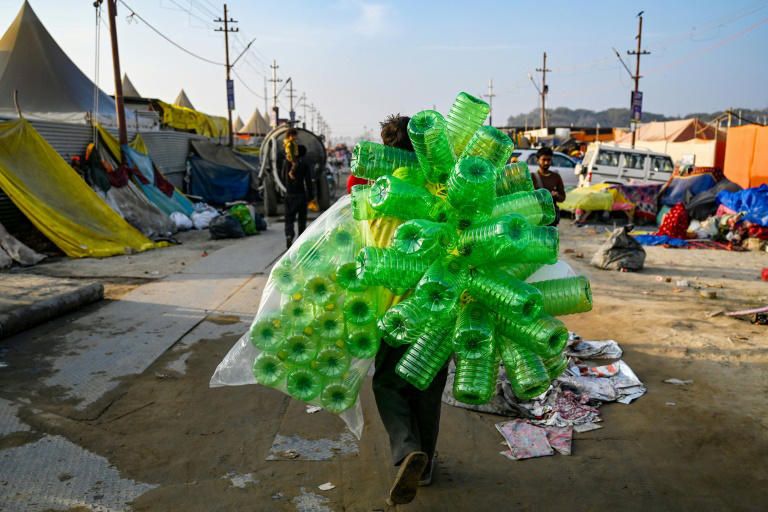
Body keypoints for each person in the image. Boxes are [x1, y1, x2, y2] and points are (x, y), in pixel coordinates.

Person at [369, 114, 447, 506]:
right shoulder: (445, 189)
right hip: (441, 308)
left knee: (387, 382)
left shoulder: (378, 196)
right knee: (427, 387)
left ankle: (406, 449)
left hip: (395, 311)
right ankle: (426, 463)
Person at [284, 145, 312, 249]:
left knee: (289, 218)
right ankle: (301, 241)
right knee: (302, 220)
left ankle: (289, 235)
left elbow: (283, 177)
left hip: (289, 195)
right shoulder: (304, 165)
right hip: (301, 195)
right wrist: (311, 196)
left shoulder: (286, 163)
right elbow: (308, 182)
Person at [531, 146, 566, 226]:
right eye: (544, 160)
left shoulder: (556, 177)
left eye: (549, 160)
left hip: (551, 218)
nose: (546, 163)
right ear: (537, 160)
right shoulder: (532, 177)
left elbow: (563, 197)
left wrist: (556, 195)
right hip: (536, 216)